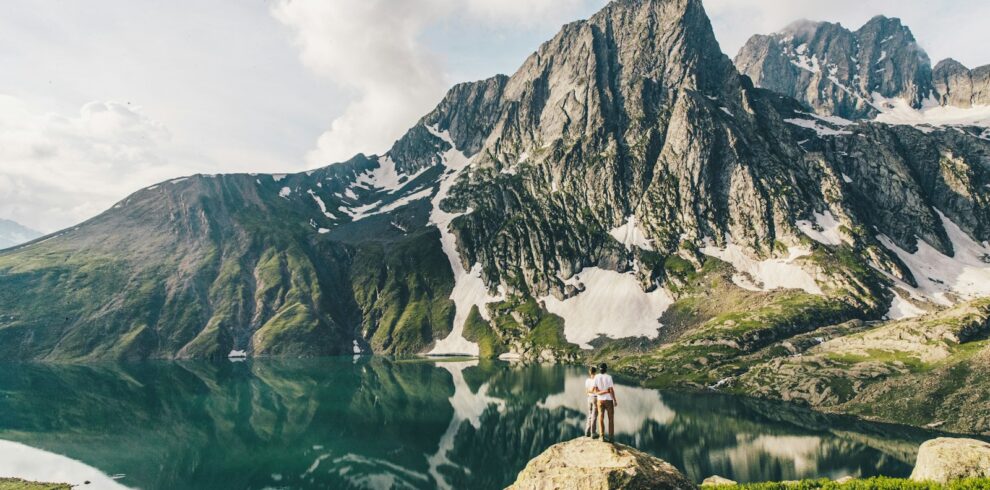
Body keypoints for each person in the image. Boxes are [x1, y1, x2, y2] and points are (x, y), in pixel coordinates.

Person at [594, 362, 617, 442]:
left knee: (601, 418)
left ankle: (602, 436)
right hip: (608, 400)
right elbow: (611, 390)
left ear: (599, 369)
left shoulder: (596, 377)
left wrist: (603, 392)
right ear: (606, 369)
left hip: (600, 400)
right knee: (611, 419)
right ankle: (611, 437)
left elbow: (595, 391)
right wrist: (614, 400)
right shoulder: (609, 377)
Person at [584, 366, 599, 437]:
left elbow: (586, 390)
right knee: (594, 415)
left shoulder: (587, 380)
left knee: (590, 414)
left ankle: (587, 431)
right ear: (595, 372)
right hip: (595, 398)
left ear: (589, 372)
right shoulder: (596, 380)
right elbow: (594, 390)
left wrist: (589, 393)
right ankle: (593, 432)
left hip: (589, 398)